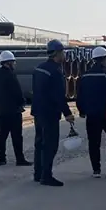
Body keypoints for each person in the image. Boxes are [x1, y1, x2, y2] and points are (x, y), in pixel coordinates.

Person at [32, 39, 75, 186]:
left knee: (39, 143)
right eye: (63, 52)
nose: (64, 55)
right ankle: (46, 176)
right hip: (49, 113)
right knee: (50, 145)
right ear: (58, 53)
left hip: (38, 111)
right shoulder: (56, 72)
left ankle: (38, 174)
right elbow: (58, 96)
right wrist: (67, 113)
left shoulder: (39, 68)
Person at [76, 46, 106, 178]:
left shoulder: (85, 75)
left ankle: (96, 169)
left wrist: (82, 110)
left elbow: (80, 95)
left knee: (93, 142)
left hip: (92, 114)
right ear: (105, 59)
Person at [0, 51, 30, 166]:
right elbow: (17, 91)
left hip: (1, 111)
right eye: (13, 62)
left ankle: (2, 159)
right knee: (17, 136)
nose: (14, 64)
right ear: (8, 63)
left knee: (2, 136)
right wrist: (22, 102)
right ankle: (20, 159)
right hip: (13, 110)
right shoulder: (10, 75)